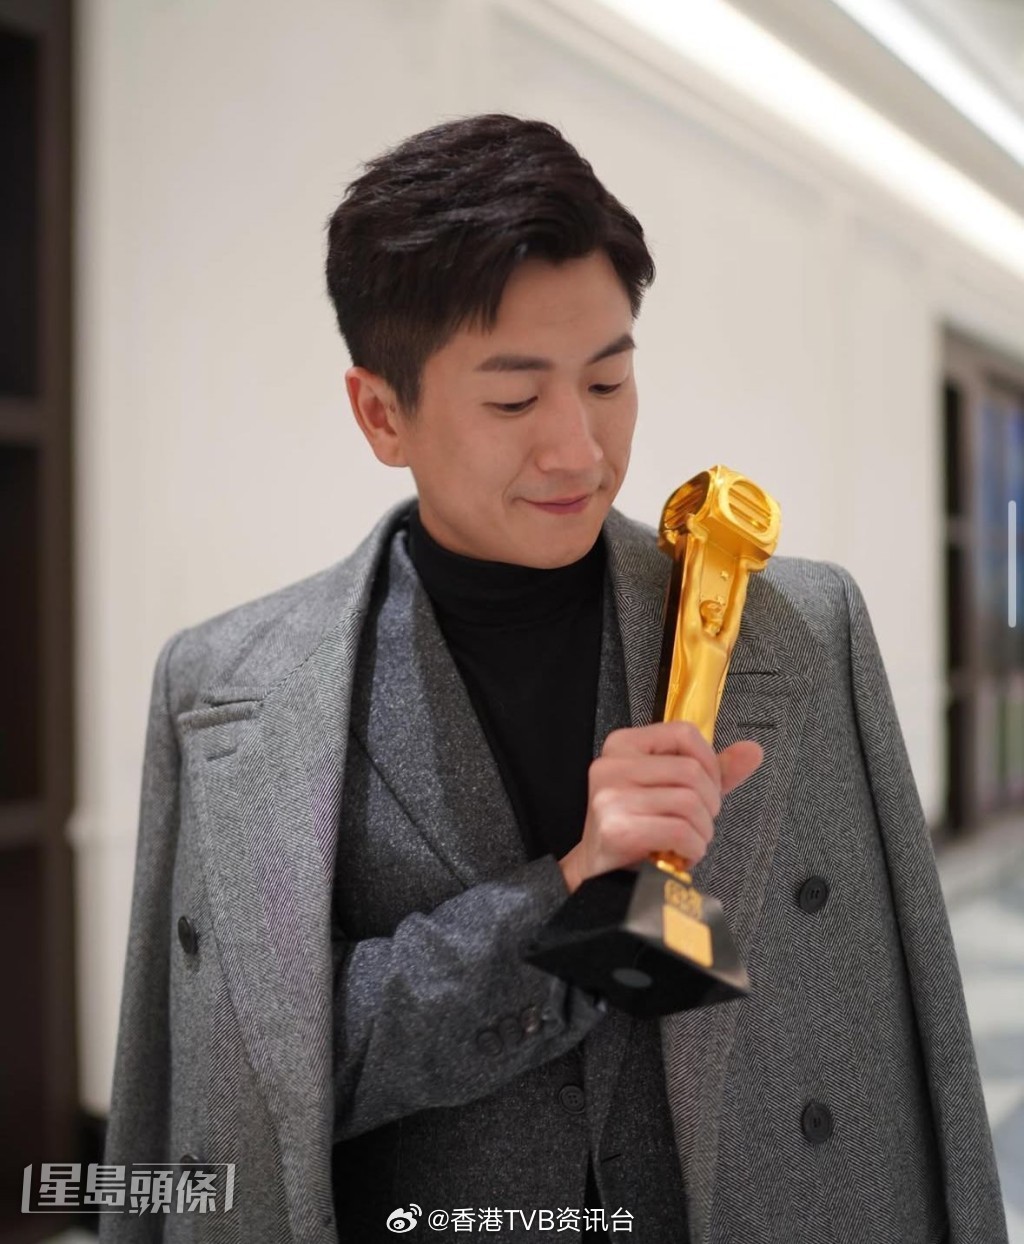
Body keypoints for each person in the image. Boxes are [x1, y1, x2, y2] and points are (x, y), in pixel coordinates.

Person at [102, 114, 1007, 1243]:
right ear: (382, 412)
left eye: (609, 379)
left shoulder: (793, 628)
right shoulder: (229, 693)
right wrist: (571, 885)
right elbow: (236, 1091)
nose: (579, 448)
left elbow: (901, 1032)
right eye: (514, 400)